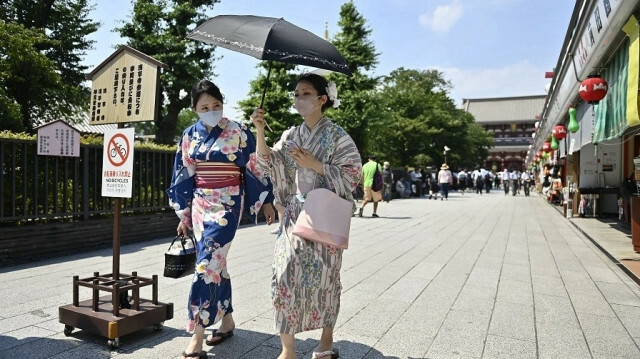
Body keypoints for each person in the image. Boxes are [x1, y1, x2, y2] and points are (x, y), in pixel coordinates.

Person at [252, 73, 362, 359]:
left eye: (306, 94)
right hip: (294, 215)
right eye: (297, 94)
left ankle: (326, 342)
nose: (299, 99)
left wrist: (316, 165)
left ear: (322, 99)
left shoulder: (338, 136)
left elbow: (352, 175)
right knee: (283, 273)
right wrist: (260, 130)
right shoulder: (290, 135)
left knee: (326, 277)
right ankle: (288, 349)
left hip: (323, 213)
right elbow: (268, 164)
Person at [167, 80, 276, 359]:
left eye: (216, 105)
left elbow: (254, 165)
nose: (212, 110)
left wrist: (266, 200)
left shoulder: (238, 130)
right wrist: (185, 214)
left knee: (205, 265)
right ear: (195, 109)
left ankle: (197, 334)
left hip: (228, 203)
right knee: (217, 265)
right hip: (201, 203)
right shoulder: (189, 135)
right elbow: (184, 176)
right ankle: (226, 321)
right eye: (205, 107)